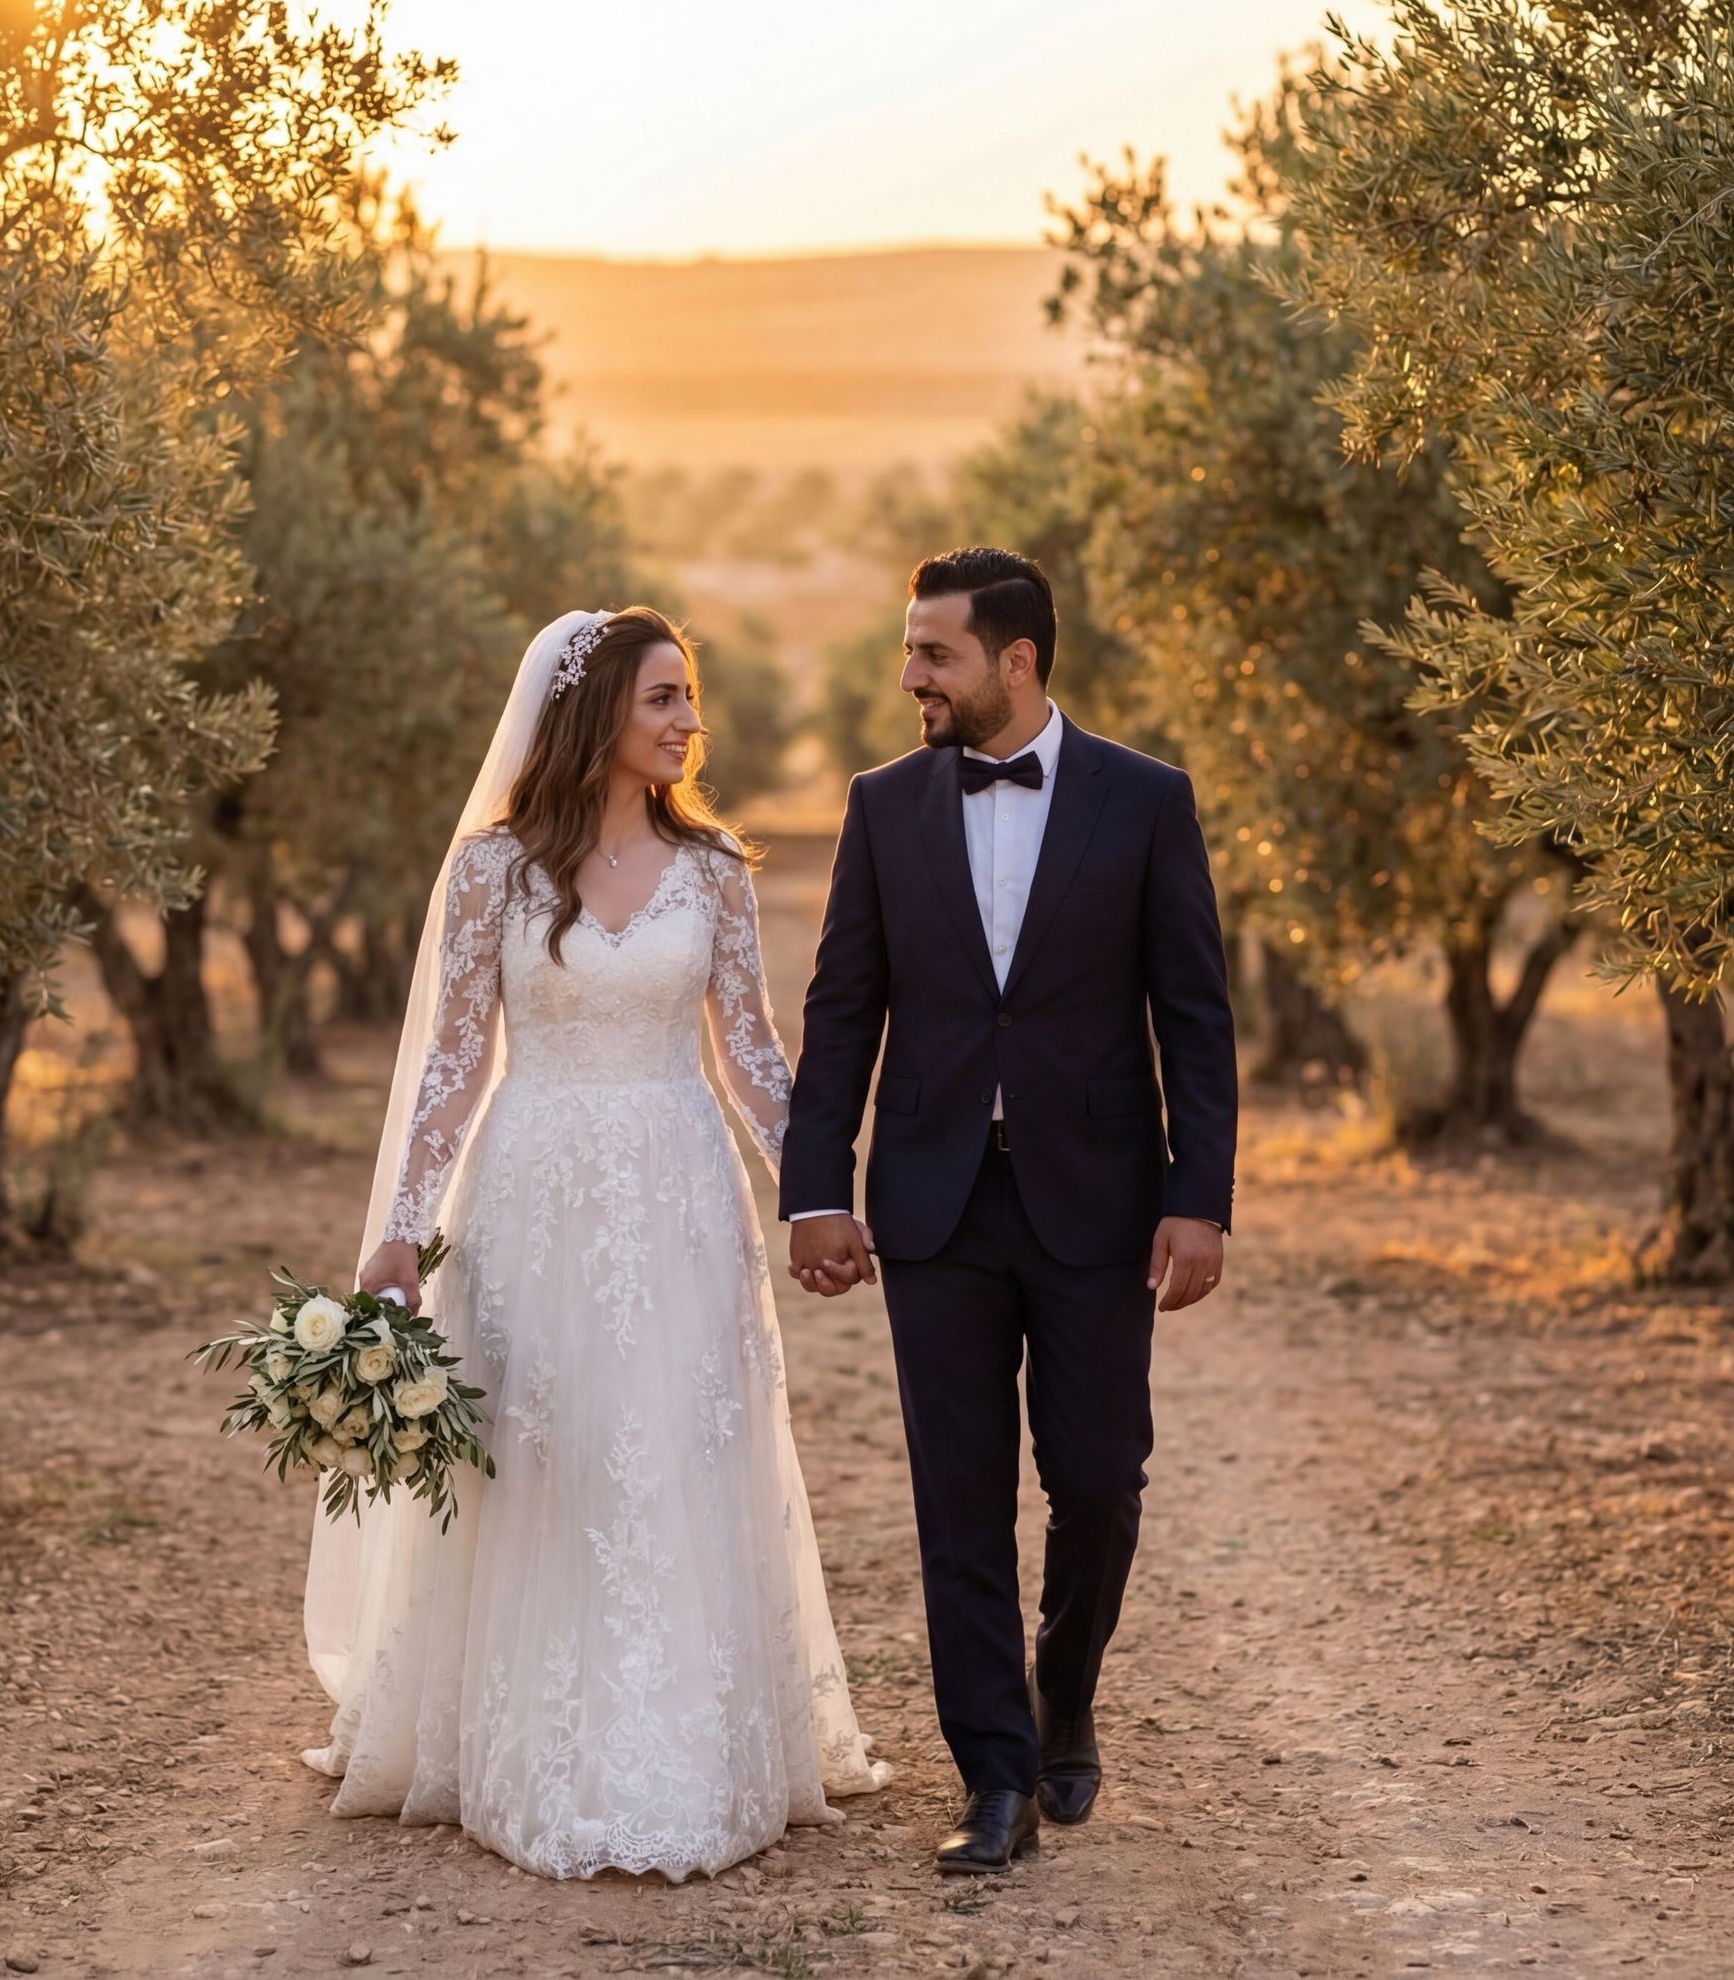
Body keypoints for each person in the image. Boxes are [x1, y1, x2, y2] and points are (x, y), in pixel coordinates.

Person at [304, 606, 888, 1881]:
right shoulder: (491, 874)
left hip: (680, 1194)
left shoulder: (717, 870)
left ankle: (691, 1741)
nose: (689, 721)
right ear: (595, 714)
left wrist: (817, 1196)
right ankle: (533, 1738)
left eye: (692, 697)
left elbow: (751, 1055)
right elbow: (453, 1070)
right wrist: (399, 1234)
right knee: (547, 1449)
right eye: (663, 699)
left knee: (678, 1444)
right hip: (532, 1194)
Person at [780, 547, 1239, 1874]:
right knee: (959, 1502)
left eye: (934, 653)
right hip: (931, 1207)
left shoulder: (1147, 800)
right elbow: (840, 1013)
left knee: (1098, 1481)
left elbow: (1194, 1019)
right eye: (908, 650)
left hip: (1098, 1202)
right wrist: (818, 1189)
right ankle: (994, 1778)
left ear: (1015, 661)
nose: (910, 676)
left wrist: (1196, 1199)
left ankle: (1064, 1689)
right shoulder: (882, 805)